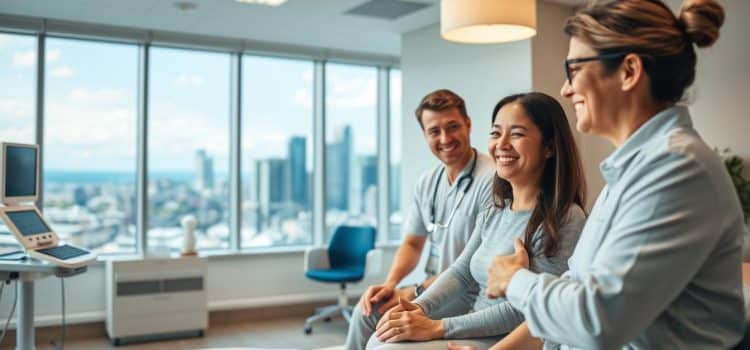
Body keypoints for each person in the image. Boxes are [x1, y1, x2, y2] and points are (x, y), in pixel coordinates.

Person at [481, 1, 746, 349]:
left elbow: (596, 321)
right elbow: (572, 294)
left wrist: (515, 279)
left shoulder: (677, 169)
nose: (565, 88)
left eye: (573, 68)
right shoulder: (629, 175)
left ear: (629, 71)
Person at [365, 92, 587, 350]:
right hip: (474, 323)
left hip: (508, 340)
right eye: (495, 133)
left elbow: (531, 312)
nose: (501, 144)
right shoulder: (495, 209)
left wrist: (437, 327)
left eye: (516, 134)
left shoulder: (565, 218)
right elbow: (460, 273)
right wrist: (417, 307)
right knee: (380, 337)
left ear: (549, 147)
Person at [345, 89, 496, 350]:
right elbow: (413, 243)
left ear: (468, 124)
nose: (445, 138)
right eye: (434, 131)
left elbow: (471, 269)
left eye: (452, 127)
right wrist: (391, 285)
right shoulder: (428, 181)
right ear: (425, 134)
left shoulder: (491, 180)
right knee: (367, 311)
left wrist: (414, 293)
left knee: (382, 339)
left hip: (464, 294)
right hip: (428, 287)